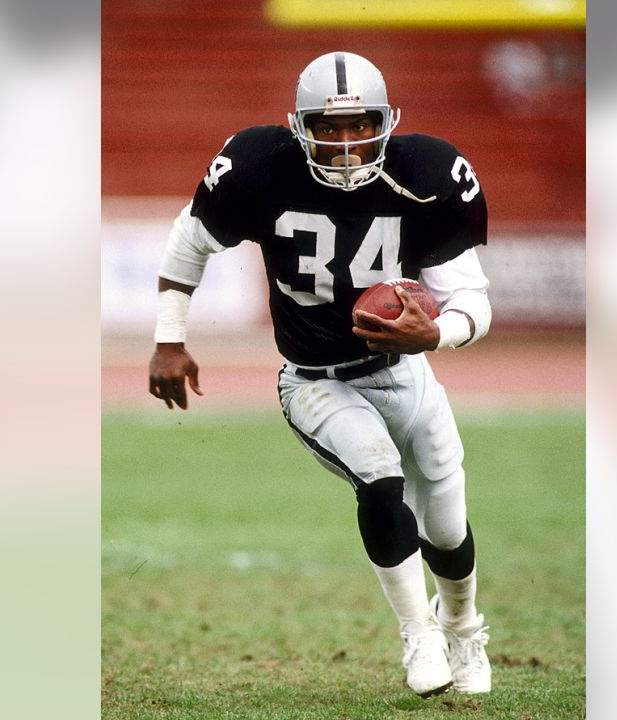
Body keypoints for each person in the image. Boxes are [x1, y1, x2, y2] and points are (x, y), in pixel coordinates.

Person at [148, 51, 493, 697]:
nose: (344, 141)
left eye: (358, 124)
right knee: (379, 477)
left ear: (385, 121)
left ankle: (466, 628)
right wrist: (169, 338)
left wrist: (437, 332)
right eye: (326, 127)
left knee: (446, 526)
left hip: (406, 372)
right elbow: (188, 240)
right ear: (298, 125)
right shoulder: (259, 164)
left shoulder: (428, 171)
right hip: (316, 378)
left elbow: (472, 296)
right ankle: (419, 634)